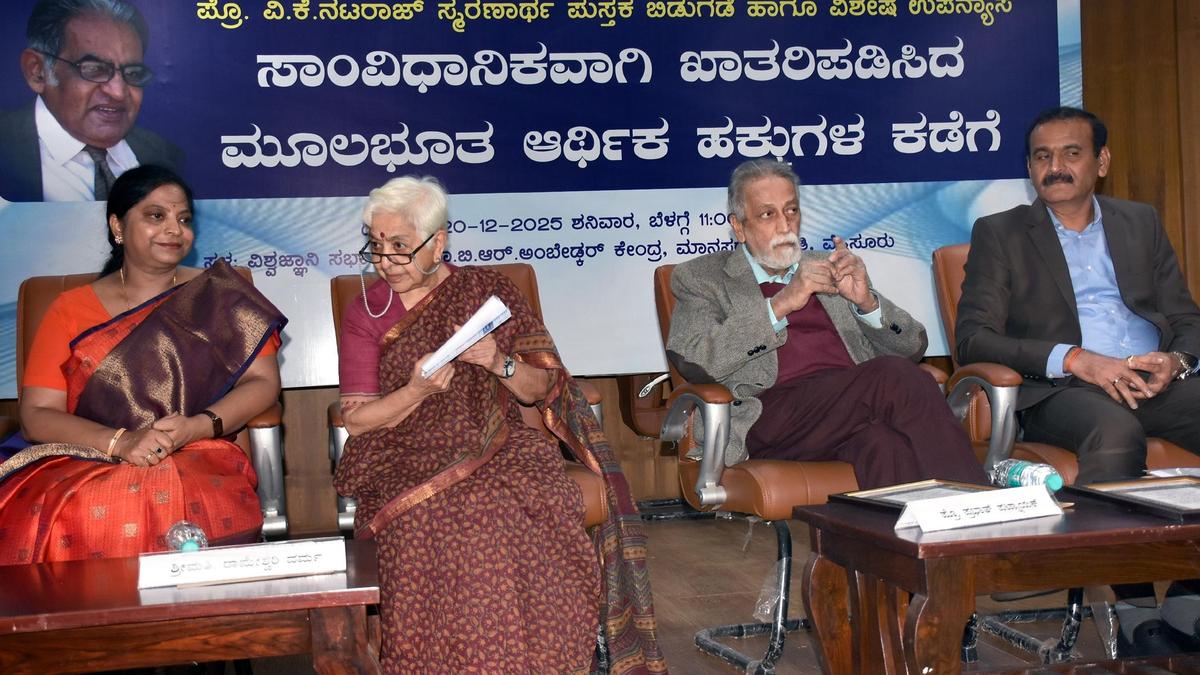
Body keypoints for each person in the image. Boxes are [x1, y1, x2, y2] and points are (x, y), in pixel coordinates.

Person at [332, 176, 665, 674]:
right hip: (399, 453)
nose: (386, 261)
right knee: (442, 516)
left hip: (498, 443)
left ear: (438, 243)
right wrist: (415, 390)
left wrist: (497, 362)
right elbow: (358, 421)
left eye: (400, 246)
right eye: (376, 246)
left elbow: (540, 387)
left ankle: (540, 663)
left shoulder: (488, 294)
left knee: (526, 502)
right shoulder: (366, 312)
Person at [956, 105, 1200, 655]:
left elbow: (1186, 318)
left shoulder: (1139, 222)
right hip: (1062, 390)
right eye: (1042, 157)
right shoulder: (1000, 233)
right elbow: (973, 339)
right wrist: (1073, 359)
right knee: (1114, 433)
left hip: (1149, 379)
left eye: (1071, 153)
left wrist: (1176, 362)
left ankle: (1189, 595)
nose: (1056, 167)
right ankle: (1135, 610)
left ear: (1101, 162)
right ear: (1029, 168)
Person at [0, 165, 285, 564]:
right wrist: (121, 442)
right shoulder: (70, 309)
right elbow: (37, 414)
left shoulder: (221, 298)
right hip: (87, 454)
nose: (174, 229)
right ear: (117, 225)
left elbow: (263, 383)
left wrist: (197, 426)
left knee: (171, 488)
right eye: (156, 215)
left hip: (194, 446)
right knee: (93, 502)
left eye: (184, 219)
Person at [666, 158, 986, 489]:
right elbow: (696, 360)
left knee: (883, 444)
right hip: (771, 413)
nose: (785, 225)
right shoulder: (702, 278)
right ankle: (973, 503)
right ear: (739, 227)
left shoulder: (828, 265)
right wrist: (781, 304)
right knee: (894, 377)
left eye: (791, 210)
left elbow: (912, 346)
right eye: (767, 214)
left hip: (849, 405)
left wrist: (866, 304)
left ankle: (901, 524)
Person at [0, 0, 182, 202]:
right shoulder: (6, 146)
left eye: (132, 73)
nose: (118, 92)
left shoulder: (164, 156)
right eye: (94, 69)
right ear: (38, 72)